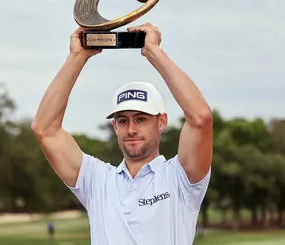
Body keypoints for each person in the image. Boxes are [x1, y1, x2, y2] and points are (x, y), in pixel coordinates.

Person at [31, 23, 213, 245]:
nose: (132, 129)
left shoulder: (180, 177)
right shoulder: (97, 180)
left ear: (162, 121)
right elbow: (45, 130)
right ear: (115, 126)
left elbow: (200, 119)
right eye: (123, 120)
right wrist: (77, 57)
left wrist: (154, 52)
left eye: (141, 118)